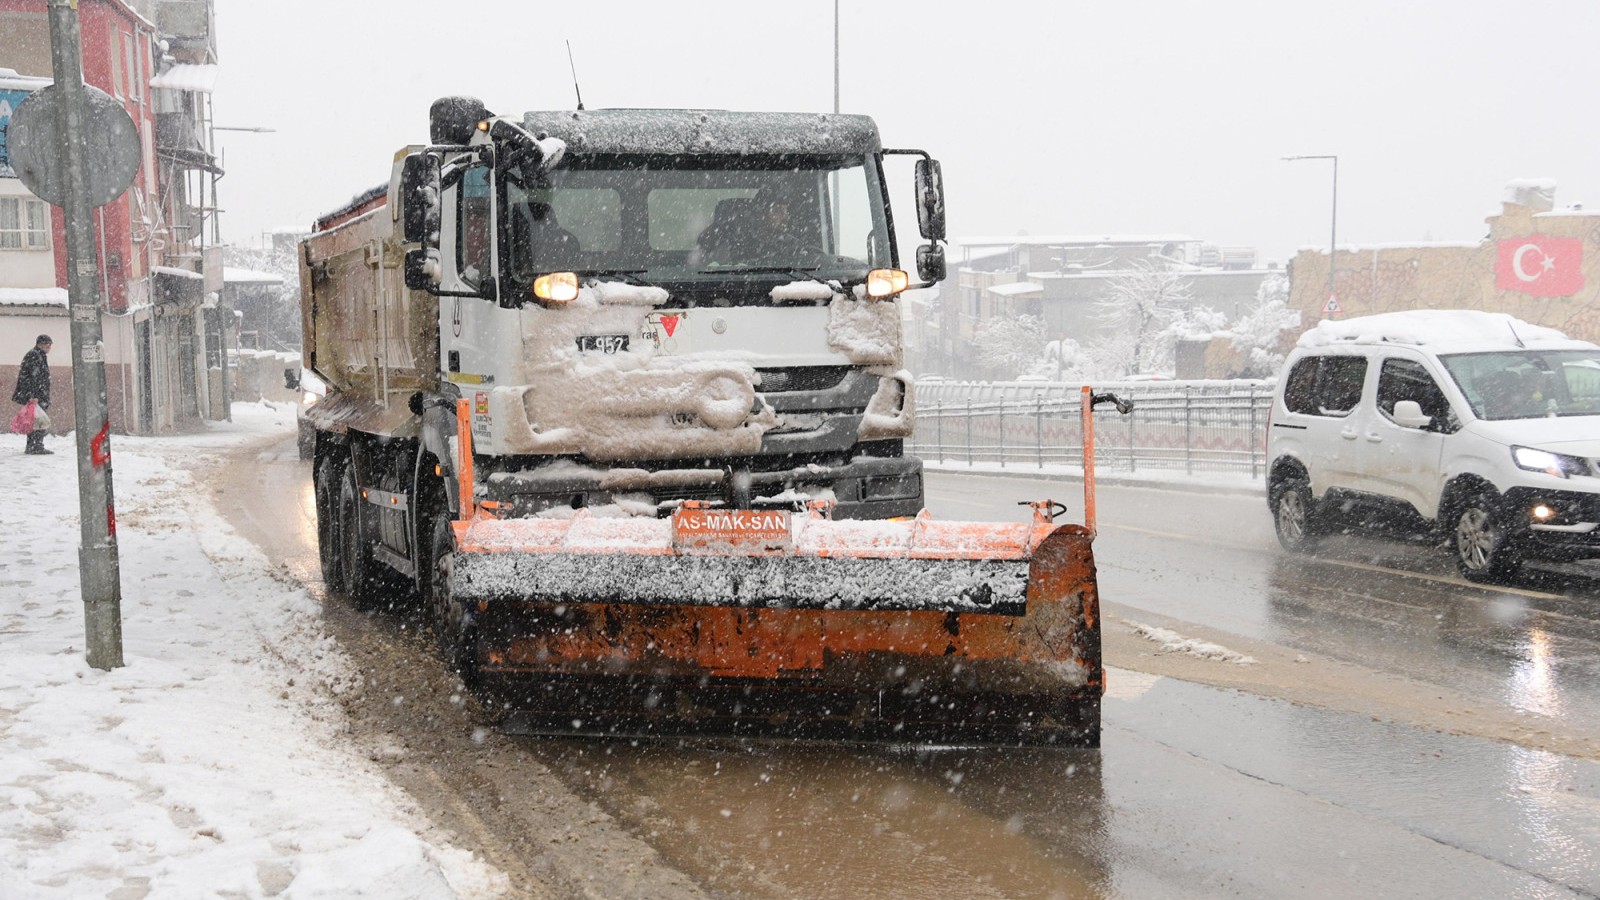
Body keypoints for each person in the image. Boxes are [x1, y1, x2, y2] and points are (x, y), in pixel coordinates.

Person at [13, 334, 52, 454]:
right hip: (37, 395)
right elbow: (32, 378)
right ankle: (35, 446)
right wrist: (33, 396)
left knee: (35, 420)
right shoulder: (35, 355)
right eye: (48, 345)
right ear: (41, 344)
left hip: (39, 394)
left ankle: (34, 446)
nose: (49, 348)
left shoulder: (38, 355)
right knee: (38, 421)